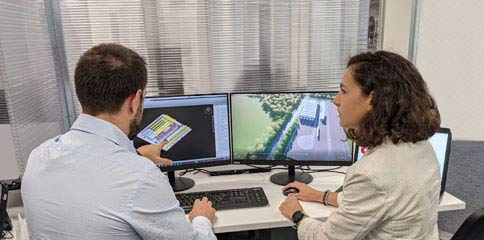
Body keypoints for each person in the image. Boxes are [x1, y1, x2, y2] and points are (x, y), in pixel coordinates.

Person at [21, 43, 217, 240]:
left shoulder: (38, 157)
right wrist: (201, 218)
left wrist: (138, 156)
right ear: (135, 100)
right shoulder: (141, 178)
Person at [279, 51, 441, 239]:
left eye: (344, 91)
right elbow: (379, 201)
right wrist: (319, 196)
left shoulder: (371, 173)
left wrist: (297, 215)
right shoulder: (421, 146)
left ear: (371, 99)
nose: (336, 100)